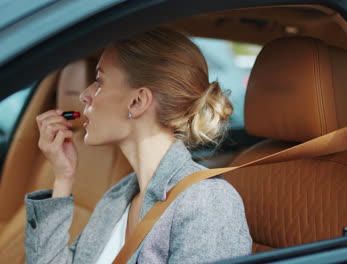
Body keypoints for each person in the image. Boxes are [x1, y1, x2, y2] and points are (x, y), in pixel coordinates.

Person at [25, 26, 252, 264]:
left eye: (99, 81)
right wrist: (63, 176)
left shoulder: (207, 201)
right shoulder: (120, 195)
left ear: (138, 101)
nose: (84, 95)